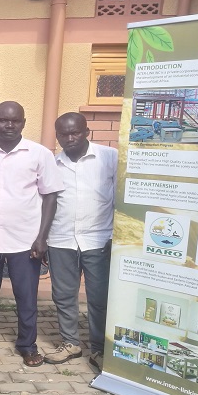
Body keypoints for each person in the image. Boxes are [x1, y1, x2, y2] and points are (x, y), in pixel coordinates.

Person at [0, 102, 64, 367]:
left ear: (23, 123)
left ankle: (27, 345)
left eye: (15, 121)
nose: (9, 125)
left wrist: (43, 237)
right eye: (3, 120)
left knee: (26, 296)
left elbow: (50, 196)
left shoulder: (39, 154)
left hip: (25, 238)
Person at [47, 112, 118, 370]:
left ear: (86, 131)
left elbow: (120, 197)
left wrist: (117, 237)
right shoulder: (53, 164)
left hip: (99, 238)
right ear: (57, 135)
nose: (69, 138)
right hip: (61, 238)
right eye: (63, 134)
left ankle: (99, 348)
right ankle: (70, 343)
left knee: (99, 297)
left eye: (75, 132)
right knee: (63, 295)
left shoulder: (109, 158)